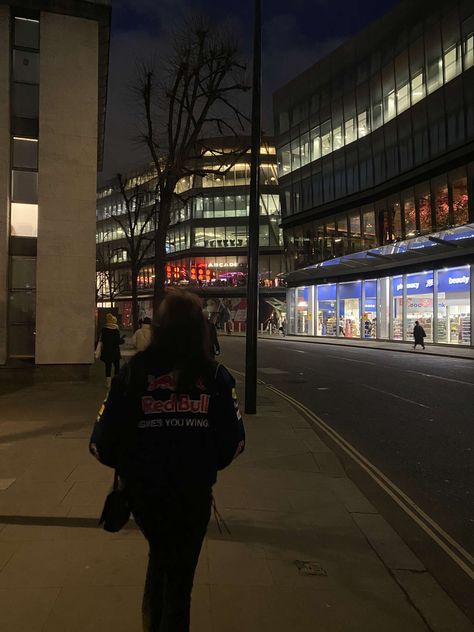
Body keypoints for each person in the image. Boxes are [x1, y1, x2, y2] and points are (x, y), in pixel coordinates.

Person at [90, 291, 245, 632]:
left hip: (146, 496)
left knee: (161, 560)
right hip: (193, 495)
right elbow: (234, 443)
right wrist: (204, 465)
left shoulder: (132, 374)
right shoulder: (217, 377)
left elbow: (100, 444)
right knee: (179, 582)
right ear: (200, 330)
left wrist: (132, 465)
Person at [97, 313, 124, 388]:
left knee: (108, 367)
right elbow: (118, 342)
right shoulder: (116, 330)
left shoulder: (104, 330)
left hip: (106, 351)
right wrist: (122, 340)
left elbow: (102, 340)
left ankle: (108, 383)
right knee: (117, 367)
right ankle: (115, 382)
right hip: (115, 351)